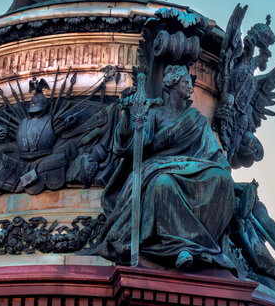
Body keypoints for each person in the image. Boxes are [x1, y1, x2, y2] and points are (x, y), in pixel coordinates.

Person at [99, 65, 235, 269]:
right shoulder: (155, 114)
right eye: (185, 82)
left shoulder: (197, 120)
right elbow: (135, 144)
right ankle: (179, 246)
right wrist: (131, 116)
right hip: (159, 167)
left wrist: (223, 167)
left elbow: (213, 152)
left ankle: (202, 243)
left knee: (222, 179)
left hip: (192, 168)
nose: (190, 87)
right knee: (162, 184)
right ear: (172, 85)